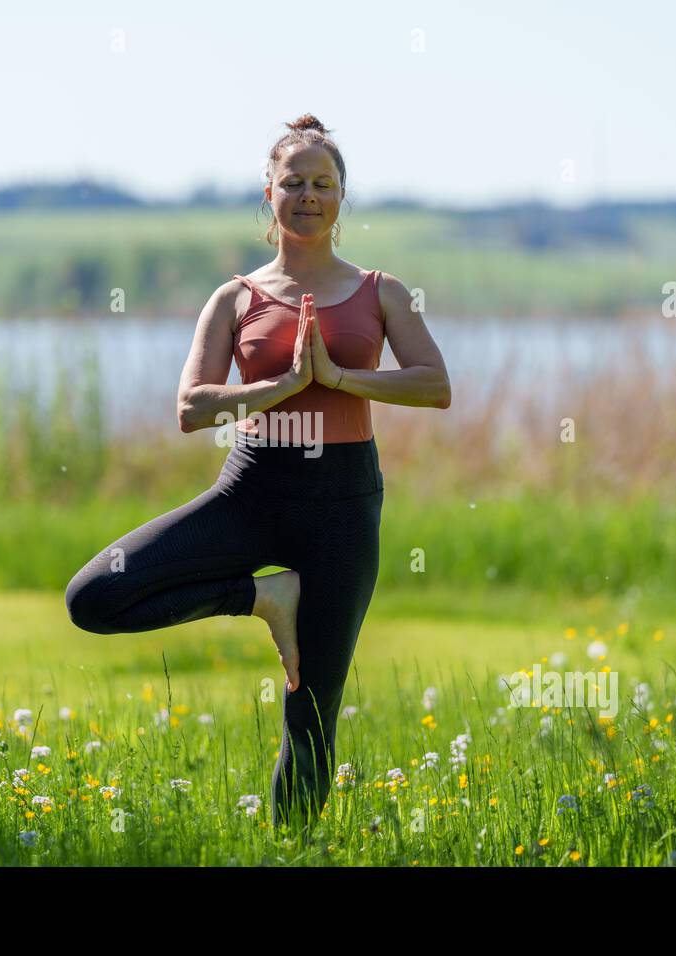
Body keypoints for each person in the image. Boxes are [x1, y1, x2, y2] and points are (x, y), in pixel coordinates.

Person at [65, 113, 451, 829]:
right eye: (293, 182)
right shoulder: (236, 298)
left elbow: (434, 384)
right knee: (95, 597)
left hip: (341, 507)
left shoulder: (381, 291)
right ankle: (263, 597)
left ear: (343, 196)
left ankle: (291, 850)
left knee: (310, 716)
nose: (309, 195)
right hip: (250, 492)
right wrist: (272, 390)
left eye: (323, 183)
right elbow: (191, 407)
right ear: (267, 193)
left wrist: (336, 377)